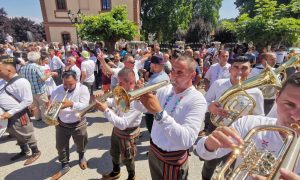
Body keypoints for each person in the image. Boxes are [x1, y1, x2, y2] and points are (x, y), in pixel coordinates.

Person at [196, 72, 300, 179]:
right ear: (277, 97)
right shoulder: (251, 124)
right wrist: (209, 144)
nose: (297, 117)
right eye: (289, 104)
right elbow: (203, 153)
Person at [139, 55, 207, 179]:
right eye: (173, 71)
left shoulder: (197, 100)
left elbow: (187, 140)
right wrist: (139, 97)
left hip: (173, 160)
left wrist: (159, 113)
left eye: (180, 72)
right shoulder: (165, 89)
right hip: (154, 152)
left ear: (192, 76)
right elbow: (142, 108)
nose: (173, 75)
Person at [201, 56, 265, 179]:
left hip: (239, 134)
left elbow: (260, 117)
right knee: (209, 163)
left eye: (244, 68)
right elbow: (203, 103)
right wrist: (211, 108)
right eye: (236, 67)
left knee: (231, 165)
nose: (239, 72)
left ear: (250, 71)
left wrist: (246, 118)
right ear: (230, 69)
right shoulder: (218, 84)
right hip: (216, 129)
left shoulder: (256, 92)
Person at [95, 68, 146, 180]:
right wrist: (103, 101)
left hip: (128, 133)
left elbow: (123, 124)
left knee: (128, 158)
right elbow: (115, 102)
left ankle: (132, 176)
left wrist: (106, 110)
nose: (118, 84)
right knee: (114, 152)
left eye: (121, 82)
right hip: (117, 131)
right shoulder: (122, 92)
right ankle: (116, 171)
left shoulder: (136, 99)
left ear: (131, 82)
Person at [0, 57, 41, 166]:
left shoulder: (21, 82)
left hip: (17, 113)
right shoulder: (4, 81)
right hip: (7, 114)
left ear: (9, 70)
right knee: (15, 133)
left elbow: (27, 100)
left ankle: (36, 151)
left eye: (0, 70)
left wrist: (10, 112)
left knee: (26, 133)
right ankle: (24, 150)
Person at [51, 70, 90, 179]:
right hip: (61, 123)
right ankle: (65, 164)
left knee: (81, 142)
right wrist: (50, 109)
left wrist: (72, 104)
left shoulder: (83, 88)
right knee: (60, 146)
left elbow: (86, 106)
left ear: (76, 81)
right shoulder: (56, 90)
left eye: (71, 84)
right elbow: (53, 105)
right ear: (62, 81)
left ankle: (81, 156)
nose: (67, 87)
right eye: (65, 84)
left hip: (78, 123)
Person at [19, 51, 51, 122]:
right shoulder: (37, 67)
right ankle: (45, 119)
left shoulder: (23, 67)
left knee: (35, 106)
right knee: (43, 105)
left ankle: (37, 117)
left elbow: (21, 78)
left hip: (30, 90)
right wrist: (49, 74)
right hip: (40, 90)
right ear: (37, 58)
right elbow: (43, 78)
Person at [144, 55, 170, 134]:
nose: (150, 65)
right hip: (162, 109)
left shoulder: (154, 81)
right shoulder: (165, 75)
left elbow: (147, 99)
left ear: (154, 65)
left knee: (153, 135)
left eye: (151, 64)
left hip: (152, 112)